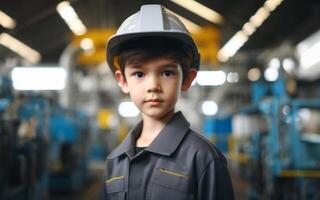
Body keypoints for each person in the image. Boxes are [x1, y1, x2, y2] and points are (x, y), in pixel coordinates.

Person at [102, 4, 234, 200]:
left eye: (166, 73)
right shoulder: (114, 161)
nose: (153, 85)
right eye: (139, 73)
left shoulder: (203, 158)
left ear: (187, 79)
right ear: (123, 81)